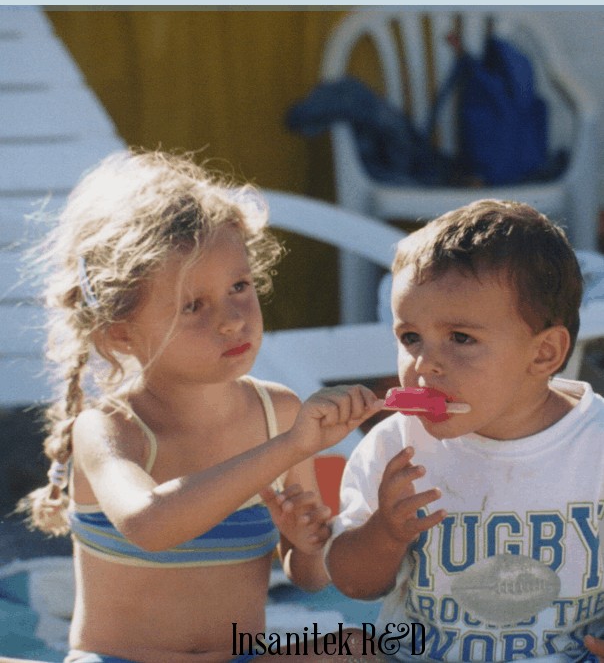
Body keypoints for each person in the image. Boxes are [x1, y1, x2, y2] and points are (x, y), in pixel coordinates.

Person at [19, 149, 382, 663]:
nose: (234, 318)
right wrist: (290, 447)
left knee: (356, 650)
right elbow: (151, 525)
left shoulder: (277, 412)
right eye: (194, 306)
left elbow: (311, 576)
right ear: (121, 332)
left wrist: (306, 542)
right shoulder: (109, 429)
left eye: (240, 286)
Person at [326, 199, 604, 662]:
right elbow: (352, 584)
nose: (423, 363)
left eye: (460, 338)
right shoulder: (398, 445)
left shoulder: (595, 445)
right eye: (410, 337)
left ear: (543, 355)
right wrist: (385, 533)